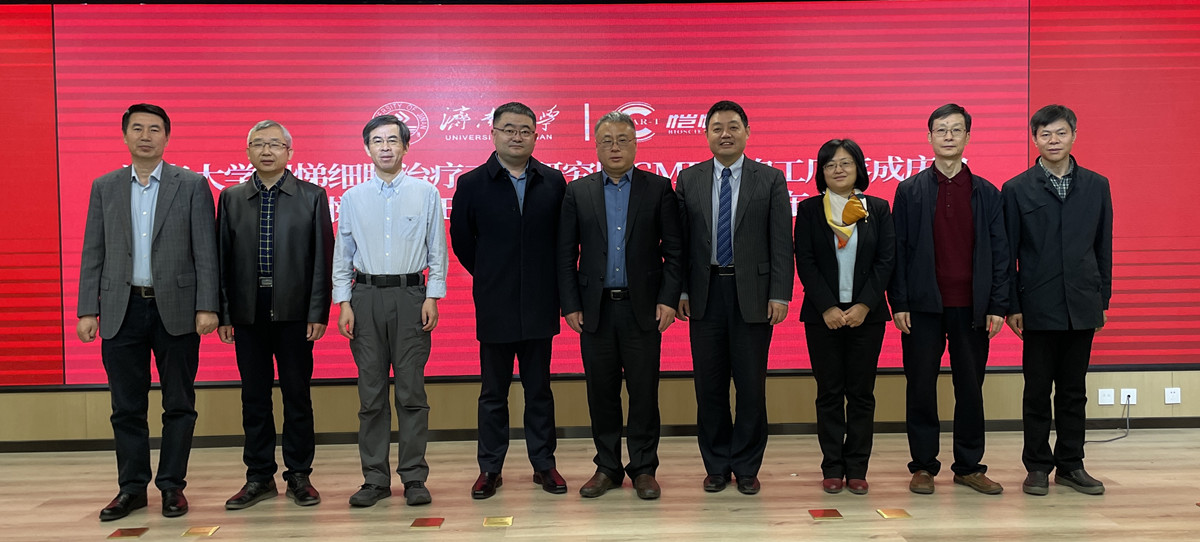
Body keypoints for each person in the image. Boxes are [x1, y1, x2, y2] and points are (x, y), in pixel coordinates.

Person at [77, 103, 219, 521]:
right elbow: (93, 251)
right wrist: (87, 309)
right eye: (137, 128)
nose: (145, 136)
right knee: (126, 406)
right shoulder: (105, 186)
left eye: (154, 129)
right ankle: (132, 489)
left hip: (176, 308)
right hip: (120, 309)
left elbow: (205, 251)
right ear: (125, 135)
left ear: (167, 137)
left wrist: (207, 305)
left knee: (179, 403)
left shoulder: (191, 184)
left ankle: (172, 486)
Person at [557, 111, 683, 500]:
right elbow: (565, 254)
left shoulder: (658, 188)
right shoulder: (577, 191)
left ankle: (643, 468)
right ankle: (607, 467)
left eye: (623, 139)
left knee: (644, 392)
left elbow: (675, 252)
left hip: (642, 308)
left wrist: (668, 299)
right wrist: (570, 304)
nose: (615, 147)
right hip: (595, 309)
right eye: (607, 140)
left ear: (636, 144)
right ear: (596, 146)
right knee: (602, 392)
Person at [888, 103, 1009, 495]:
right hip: (922, 306)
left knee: (970, 387)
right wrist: (899, 302)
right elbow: (898, 250)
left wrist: (997, 305)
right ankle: (923, 466)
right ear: (929, 137)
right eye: (941, 130)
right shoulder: (909, 191)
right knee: (920, 386)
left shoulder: (987, 193)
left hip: (972, 308)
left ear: (968, 137)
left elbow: (1001, 252)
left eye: (956, 130)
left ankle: (969, 466)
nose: (949, 136)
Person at [449, 102, 568, 499]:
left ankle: (544, 464)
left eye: (525, 130)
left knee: (539, 391)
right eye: (509, 129)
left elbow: (563, 242)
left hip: (540, 302)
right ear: (494, 134)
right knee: (492, 393)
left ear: (535, 136)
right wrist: (490, 275)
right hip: (495, 302)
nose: (517, 137)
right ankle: (490, 468)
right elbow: (463, 242)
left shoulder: (553, 182)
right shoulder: (471, 183)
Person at [675, 100, 794, 495]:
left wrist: (780, 294)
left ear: (747, 132)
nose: (725, 134)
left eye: (732, 127)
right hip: (704, 293)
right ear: (706, 134)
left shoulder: (770, 178)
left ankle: (745, 465)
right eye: (717, 128)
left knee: (750, 386)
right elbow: (680, 244)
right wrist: (682, 289)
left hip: (754, 296)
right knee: (708, 386)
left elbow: (781, 241)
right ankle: (715, 465)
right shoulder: (688, 179)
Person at [216, 120, 333, 510]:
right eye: (258, 144)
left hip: (295, 311)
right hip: (247, 312)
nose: (266, 151)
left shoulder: (312, 196)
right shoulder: (231, 198)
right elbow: (222, 260)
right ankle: (259, 476)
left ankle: (299, 475)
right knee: (254, 397)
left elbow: (323, 258)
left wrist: (317, 310)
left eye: (275, 144)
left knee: (297, 395)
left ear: (289, 152)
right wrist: (225, 313)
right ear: (248, 151)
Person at [333, 115, 447, 507]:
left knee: (412, 392)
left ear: (406, 147)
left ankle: (414, 477)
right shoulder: (353, 197)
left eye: (393, 140)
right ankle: (375, 479)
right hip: (364, 298)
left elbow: (437, 250)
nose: (385, 147)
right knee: (371, 395)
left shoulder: (425, 192)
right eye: (378, 141)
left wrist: (432, 296)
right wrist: (344, 303)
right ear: (367, 148)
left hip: (411, 295)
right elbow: (343, 255)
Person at [1004, 104, 1113, 496]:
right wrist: (1012, 305)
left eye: (1060, 133)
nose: (1053, 140)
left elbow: (1103, 246)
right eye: (1045, 134)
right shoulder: (1016, 189)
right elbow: (1008, 254)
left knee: (1073, 391)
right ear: (1034, 139)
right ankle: (1037, 466)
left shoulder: (1097, 185)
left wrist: (1102, 298)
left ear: (1074, 135)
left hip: (1082, 304)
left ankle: (1071, 464)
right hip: (1037, 305)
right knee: (1036, 391)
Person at [793, 139, 895, 495]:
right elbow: (805, 261)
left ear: (859, 169)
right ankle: (833, 467)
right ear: (821, 172)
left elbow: (886, 260)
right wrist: (827, 307)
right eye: (830, 164)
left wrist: (865, 305)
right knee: (829, 393)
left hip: (867, 315)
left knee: (862, 394)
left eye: (846, 163)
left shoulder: (877, 209)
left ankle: (857, 468)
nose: (838, 169)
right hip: (823, 317)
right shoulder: (809, 210)